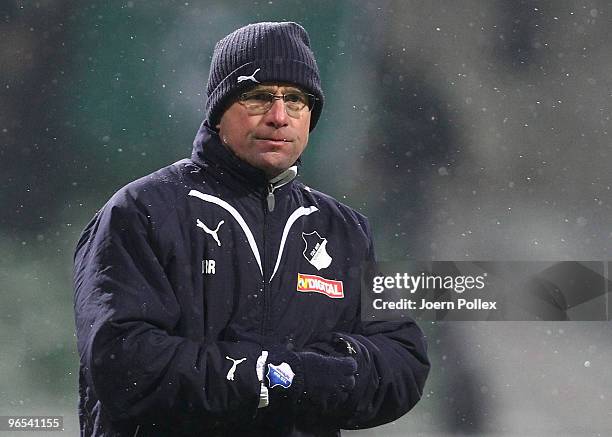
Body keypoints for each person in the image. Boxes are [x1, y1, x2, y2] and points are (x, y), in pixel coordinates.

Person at [73, 21, 430, 436]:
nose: (279, 117)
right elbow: (123, 362)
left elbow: (403, 359)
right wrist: (267, 377)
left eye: (295, 100)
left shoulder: (345, 229)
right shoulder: (141, 211)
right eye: (258, 98)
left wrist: (337, 366)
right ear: (218, 110)